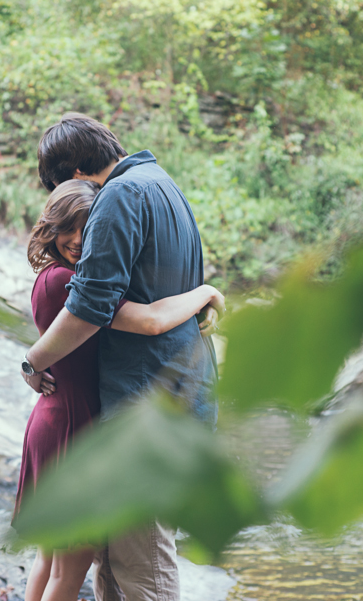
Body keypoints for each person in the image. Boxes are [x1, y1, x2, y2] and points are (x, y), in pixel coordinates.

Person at [19, 113, 219, 601]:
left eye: (61, 183)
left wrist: (33, 362)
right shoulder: (163, 184)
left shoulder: (118, 196)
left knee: (143, 567)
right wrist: (207, 295)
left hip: (145, 409)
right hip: (176, 395)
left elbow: (90, 306)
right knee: (117, 564)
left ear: (75, 172)